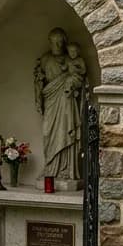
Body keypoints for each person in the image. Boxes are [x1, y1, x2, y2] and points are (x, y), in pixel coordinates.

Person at [34, 28, 83, 185]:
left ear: (64, 42)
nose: (57, 44)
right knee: (47, 132)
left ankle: (66, 171)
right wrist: (38, 99)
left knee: (66, 131)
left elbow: (78, 77)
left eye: (60, 41)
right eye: (54, 41)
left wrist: (70, 82)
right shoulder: (45, 59)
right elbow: (38, 81)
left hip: (65, 100)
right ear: (50, 41)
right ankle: (50, 168)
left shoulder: (70, 59)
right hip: (50, 100)